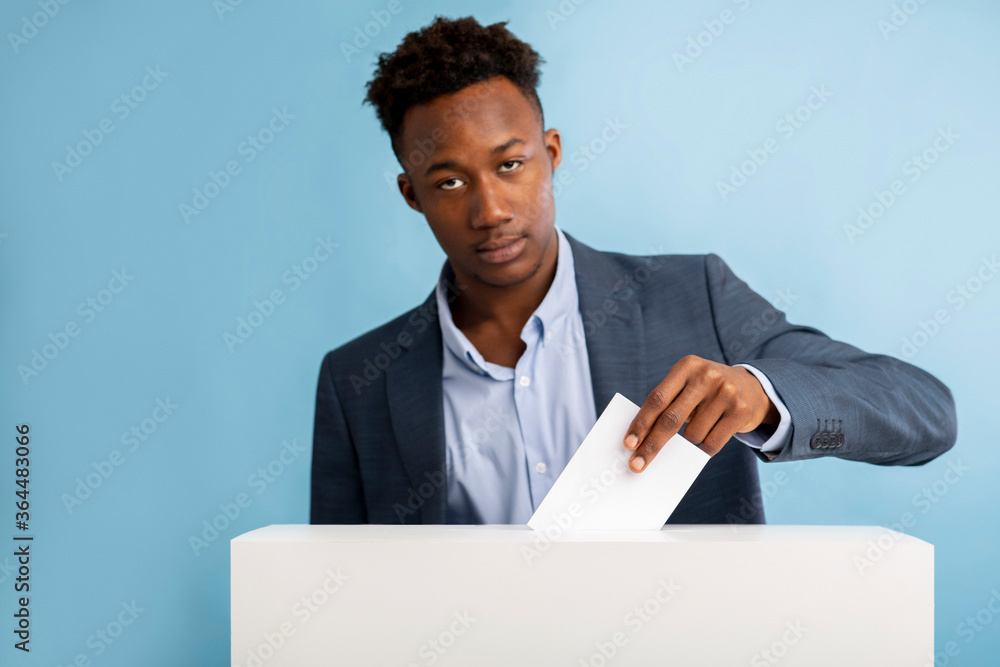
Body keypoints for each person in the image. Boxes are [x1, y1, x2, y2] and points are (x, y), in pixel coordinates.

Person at [310, 15, 956, 526]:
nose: (490, 210)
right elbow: (335, 592)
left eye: (511, 165)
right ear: (411, 194)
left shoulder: (691, 298)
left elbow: (925, 412)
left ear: (551, 153)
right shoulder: (358, 380)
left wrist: (762, 396)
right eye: (449, 181)